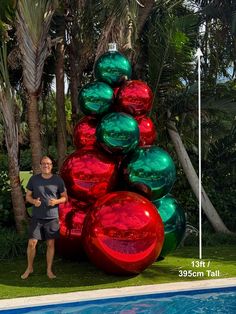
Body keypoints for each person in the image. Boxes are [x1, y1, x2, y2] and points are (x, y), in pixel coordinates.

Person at [21, 156, 67, 279]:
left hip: (52, 218)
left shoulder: (58, 180)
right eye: (43, 164)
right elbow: (28, 196)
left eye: (48, 163)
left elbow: (64, 197)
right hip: (37, 217)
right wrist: (34, 201)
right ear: (40, 165)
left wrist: (56, 201)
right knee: (32, 243)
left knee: (50, 244)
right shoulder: (34, 179)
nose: (46, 165)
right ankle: (29, 268)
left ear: (52, 165)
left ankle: (49, 270)